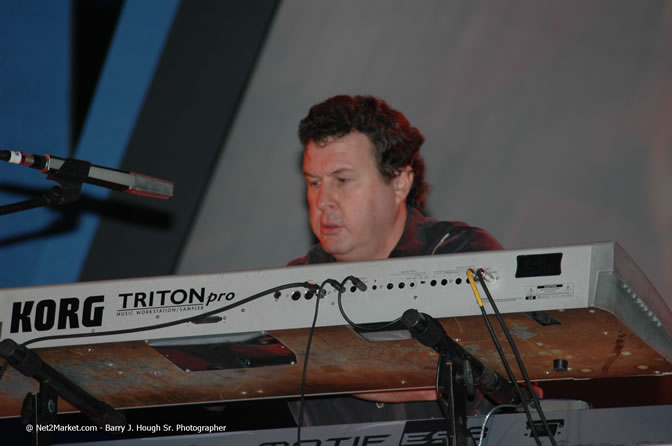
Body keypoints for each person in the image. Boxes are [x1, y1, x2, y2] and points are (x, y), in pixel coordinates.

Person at [287, 94, 503, 425]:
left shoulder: (462, 256)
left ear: (399, 183)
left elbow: (490, 373)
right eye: (314, 183)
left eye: (342, 180)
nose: (322, 200)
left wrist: (324, 371)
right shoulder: (294, 284)